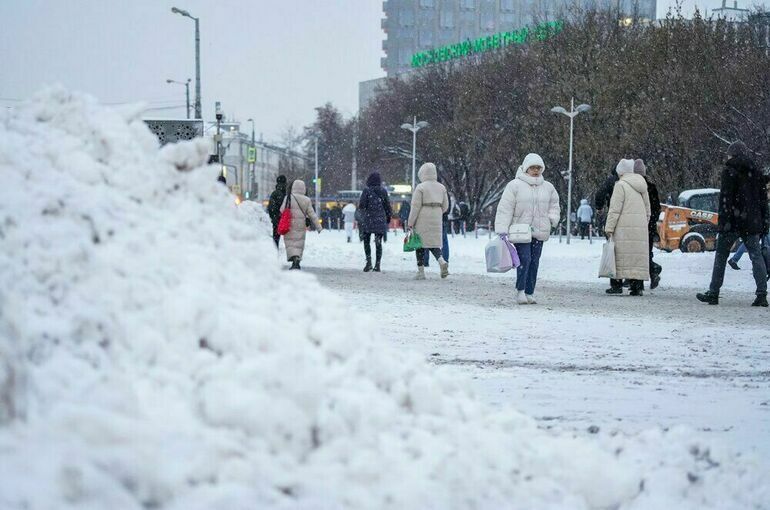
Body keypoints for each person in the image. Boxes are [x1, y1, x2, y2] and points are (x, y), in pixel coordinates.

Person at [697, 142, 768, 306]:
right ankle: (762, 294)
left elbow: (725, 200)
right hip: (752, 222)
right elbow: (763, 201)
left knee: (721, 256)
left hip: (732, 222)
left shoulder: (729, 171)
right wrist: (764, 223)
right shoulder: (756, 172)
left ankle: (714, 292)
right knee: (756, 256)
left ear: (732, 154)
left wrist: (723, 223)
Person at [494, 153, 560, 304]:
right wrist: (502, 228)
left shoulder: (548, 187)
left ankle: (530, 292)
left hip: (539, 230)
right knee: (525, 259)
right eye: (532, 167)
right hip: (520, 231)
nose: (535, 170)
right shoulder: (514, 186)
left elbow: (554, 205)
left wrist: (552, 220)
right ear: (526, 168)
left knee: (535, 261)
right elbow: (505, 208)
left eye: (538, 167)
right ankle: (521, 290)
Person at [604, 159, 651, 296]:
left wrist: (609, 227)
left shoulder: (620, 185)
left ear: (621, 172)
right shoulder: (642, 185)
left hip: (622, 227)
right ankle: (636, 287)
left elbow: (614, 209)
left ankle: (616, 285)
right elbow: (648, 209)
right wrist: (643, 223)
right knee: (636, 257)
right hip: (640, 227)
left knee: (619, 256)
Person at [408, 162, 449, 280]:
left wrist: (411, 222)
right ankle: (441, 261)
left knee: (420, 244)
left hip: (422, 216)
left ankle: (421, 272)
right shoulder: (441, 187)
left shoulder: (420, 187)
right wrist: (437, 211)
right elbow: (446, 206)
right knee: (433, 244)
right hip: (437, 215)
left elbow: (415, 206)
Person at [280, 179, 322, 270]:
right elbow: (312, 214)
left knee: (291, 243)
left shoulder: (288, 197)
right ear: (303, 188)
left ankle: (293, 260)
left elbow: (282, 210)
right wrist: (319, 227)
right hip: (300, 225)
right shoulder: (306, 200)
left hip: (290, 224)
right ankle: (297, 261)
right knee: (299, 243)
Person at [634, 159, 663, 289]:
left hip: (638, 224)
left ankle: (649, 273)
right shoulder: (651, 186)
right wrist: (652, 220)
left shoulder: (634, 186)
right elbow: (657, 207)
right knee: (647, 251)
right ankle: (653, 271)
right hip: (650, 225)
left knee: (637, 253)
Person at [358, 172, 392, 272]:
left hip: (368, 219)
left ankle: (368, 263)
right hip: (380, 220)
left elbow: (362, 205)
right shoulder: (383, 191)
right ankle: (377, 265)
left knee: (367, 241)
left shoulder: (366, 190)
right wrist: (388, 217)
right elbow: (387, 205)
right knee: (378, 243)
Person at [267, 175, 288, 248]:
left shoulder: (274, 193)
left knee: (276, 237)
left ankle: (275, 250)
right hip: (286, 219)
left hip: (276, 219)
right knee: (289, 237)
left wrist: (273, 217)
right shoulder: (287, 194)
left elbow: (270, 207)